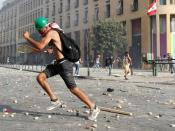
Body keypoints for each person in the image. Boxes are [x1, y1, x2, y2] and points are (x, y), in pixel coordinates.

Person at [23, 17, 100, 121]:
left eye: (40, 30)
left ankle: (93, 107)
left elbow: (40, 46)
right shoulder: (51, 33)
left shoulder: (52, 32)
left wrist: (27, 38)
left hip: (64, 64)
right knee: (40, 77)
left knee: (73, 88)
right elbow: (43, 48)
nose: (40, 33)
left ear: (45, 27)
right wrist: (48, 50)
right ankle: (54, 100)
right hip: (57, 64)